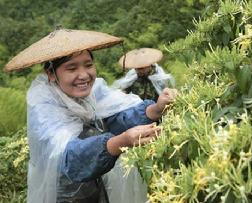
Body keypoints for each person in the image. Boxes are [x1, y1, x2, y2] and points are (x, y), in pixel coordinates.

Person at [4, 29, 177, 203]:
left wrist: (156, 108)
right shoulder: (43, 106)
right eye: (71, 68)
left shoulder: (95, 92)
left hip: (99, 182)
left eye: (88, 65)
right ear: (51, 74)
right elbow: (68, 157)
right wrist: (120, 142)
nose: (84, 75)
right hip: (65, 194)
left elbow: (116, 117)